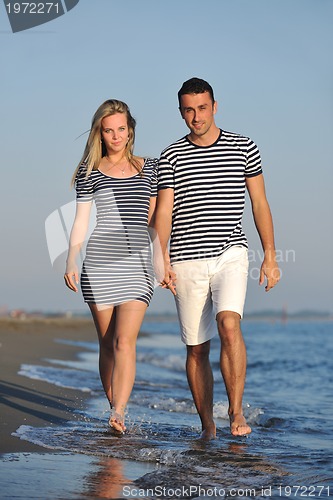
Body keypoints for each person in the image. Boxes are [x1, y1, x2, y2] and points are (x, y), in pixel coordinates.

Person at [155, 77, 280, 439]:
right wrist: (160, 255)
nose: (196, 116)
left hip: (231, 252)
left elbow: (259, 203)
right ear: (181, 113)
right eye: (189, 110)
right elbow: (164, 212)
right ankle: (207, 425)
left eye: (202, 107)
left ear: (215, 106)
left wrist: (270, 257)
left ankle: (236, 413)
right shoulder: (171, 155)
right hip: (185, 259)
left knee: (229, 324)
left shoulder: (244, 147)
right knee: (196, 349)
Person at [64, 99, 158, 434]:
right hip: (100, 263)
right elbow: (81, 222)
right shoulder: (89, 173)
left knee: (124, 342)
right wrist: (71, 258)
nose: (116, 136)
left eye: (121, 128)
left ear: (130, 129)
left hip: (137, 266)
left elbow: (157, 220)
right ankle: (113, 409)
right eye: (109, 130)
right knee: (107, 343)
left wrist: (163, 261)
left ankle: (119, 410)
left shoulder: (153, 168)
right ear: (100, 134)